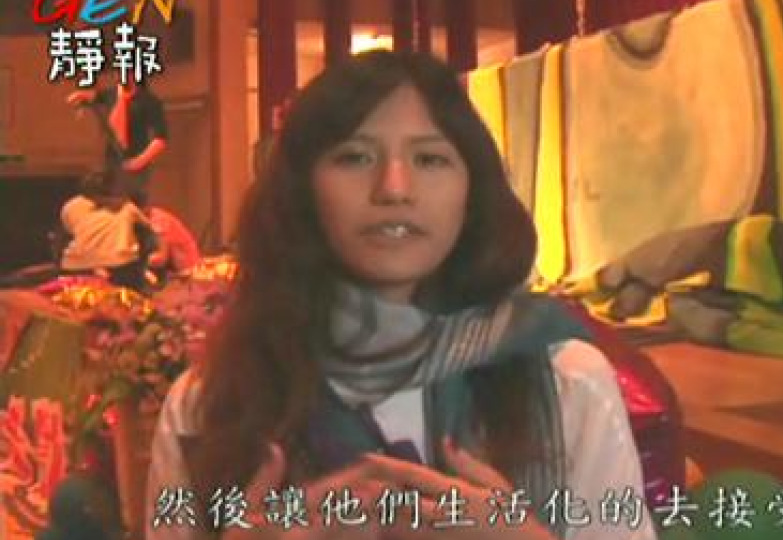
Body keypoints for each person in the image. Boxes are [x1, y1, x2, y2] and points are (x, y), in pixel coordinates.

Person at [146, 50, 657, 540]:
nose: (394, 188)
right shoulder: (207, 402)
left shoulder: (566, 378)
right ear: (301, 193)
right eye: (354, 157)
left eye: (430, 159)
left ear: (471, 191)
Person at [67, 78, 169, 207]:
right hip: (111, 160)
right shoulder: (111, 94)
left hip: (135, 162)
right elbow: (93, 97)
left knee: (131, 205)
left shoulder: (150, 101)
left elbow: (160, 138)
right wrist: (79, 98)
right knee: (107, 202)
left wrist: (140, 161)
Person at [59, 170, 150, 291]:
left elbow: (68, 232)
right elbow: (147, 228)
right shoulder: (126, 206)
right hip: (119, 263)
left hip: (74, 264)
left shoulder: (70, 206)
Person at [146, 205, 202, 282]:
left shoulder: (158, 220)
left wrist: (139, 261)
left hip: (186, 271)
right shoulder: (149, 218)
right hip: (175, 269)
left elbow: (161, 259)